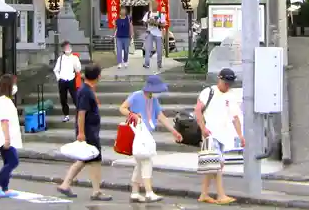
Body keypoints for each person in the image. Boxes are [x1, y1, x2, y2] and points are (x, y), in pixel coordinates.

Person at [119, 75, 183, 203]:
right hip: (138, 132)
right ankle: (149, 192)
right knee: (146, 160)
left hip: (147, 133)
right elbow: (122, 108)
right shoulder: (136, 95)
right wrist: (133, 115)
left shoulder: (153, 100)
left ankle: (135, 192)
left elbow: (160, 116)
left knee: (140, 163)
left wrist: (173, 131)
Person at [57, 63, 112, 201]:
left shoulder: (86, 89)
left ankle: (66, 184)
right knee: (94, 159)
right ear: (98, 76)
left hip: (90, 129)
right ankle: (96, 191)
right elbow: (81, 113)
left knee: (86, 159)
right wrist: (81, 133)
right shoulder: (85, 91)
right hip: (88, 131)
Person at [194, 68, 245, 205]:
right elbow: (198, 109)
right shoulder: (209, 92)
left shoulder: (231, 95)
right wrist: (203, 128)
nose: (227, 85)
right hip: (210, 133)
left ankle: (204, 194)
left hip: (223, 134)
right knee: (217, 164)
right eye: (225, 82)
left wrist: (240, 135)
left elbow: (235, 117)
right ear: (219, 79)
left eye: (230, 83)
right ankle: (221, 195)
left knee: (214, 165)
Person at [0, 74, 22, 198]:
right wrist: (7, 139)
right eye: (13, 84)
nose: (15, 87)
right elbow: (4, 121)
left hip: (6, 137)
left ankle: (5, 188)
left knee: (7, 163)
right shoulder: (4, 101)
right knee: (14, 161)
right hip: (4, 138)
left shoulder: (5, 100)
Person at [54, 41, 82, 122]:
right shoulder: (61, 58)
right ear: (63, 49)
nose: (68, 49)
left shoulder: (74, 58)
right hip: (62, 80)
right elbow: (56, 70)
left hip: (71, 79)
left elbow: (78, 69)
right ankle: (66, 115)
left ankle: (80, 113)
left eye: (69, 47)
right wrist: (59, 78)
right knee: (63, 98)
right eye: (66, 47)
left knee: (75, 97)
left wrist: (75, 63)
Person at [142, 0, 166, 70]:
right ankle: (146, 64)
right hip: (150, 33)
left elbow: (164, 24)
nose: (154, 6)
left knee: (159, 50)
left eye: (155, 5)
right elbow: (144, 22)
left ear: (157, 6)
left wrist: (157, 23)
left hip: (158, 34)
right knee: (148, 49)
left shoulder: (160, 14)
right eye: (153, 5)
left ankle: (159, 64)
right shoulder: (148, 14)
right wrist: (148, 22)